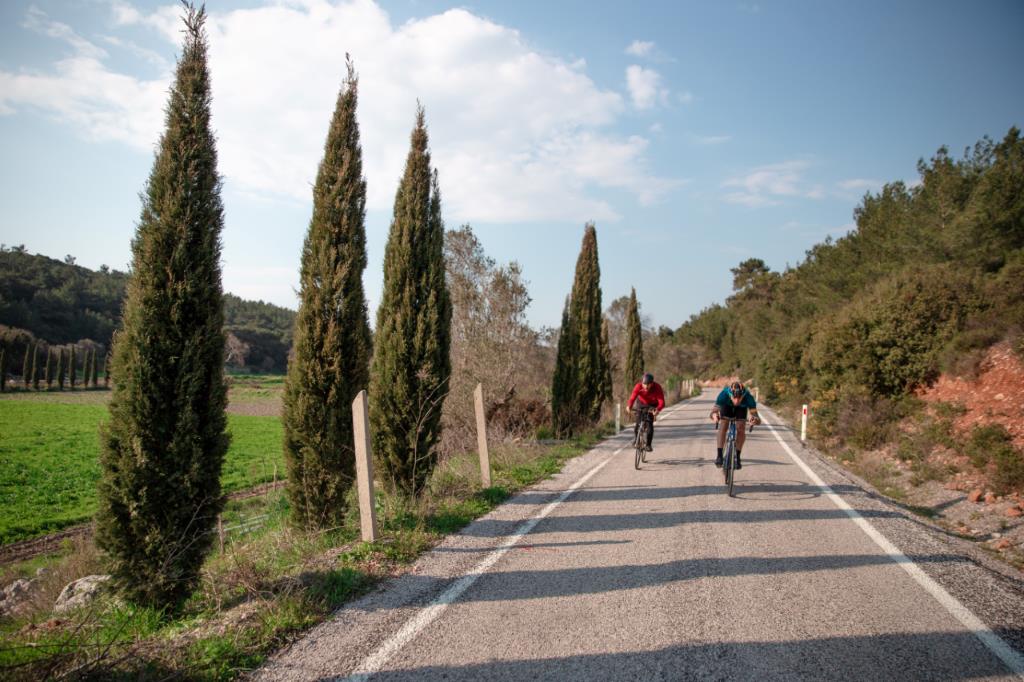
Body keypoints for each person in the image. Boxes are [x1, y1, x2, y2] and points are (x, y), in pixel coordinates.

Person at [710, 381, 760, 469]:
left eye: (739, 398)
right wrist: (715, 416)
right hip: (727, 407)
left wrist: (755, 420)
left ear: (743, 394)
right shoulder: (724, 394)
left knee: (741, 428)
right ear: (730, 394)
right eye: (734, 397)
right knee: (724, 425)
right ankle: (719, 455)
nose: (736, 401)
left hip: (741, 409)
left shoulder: (748, 397)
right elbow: (713, 412)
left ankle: (737, 457)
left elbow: (757, 418)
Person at [627, 372, 665, 452]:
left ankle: (648, 445)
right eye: (644, 384)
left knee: (649, 426)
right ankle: (636, 440)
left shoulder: (657, 387)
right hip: (641, 404)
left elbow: (661, 402)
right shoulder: (638, 386)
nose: (646, 386)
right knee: (637, 425)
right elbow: (632, 397)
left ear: (652, 383)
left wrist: (657, 410)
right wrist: (629, 406)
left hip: (652, 405)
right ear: (642, 383)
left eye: (648, 384)